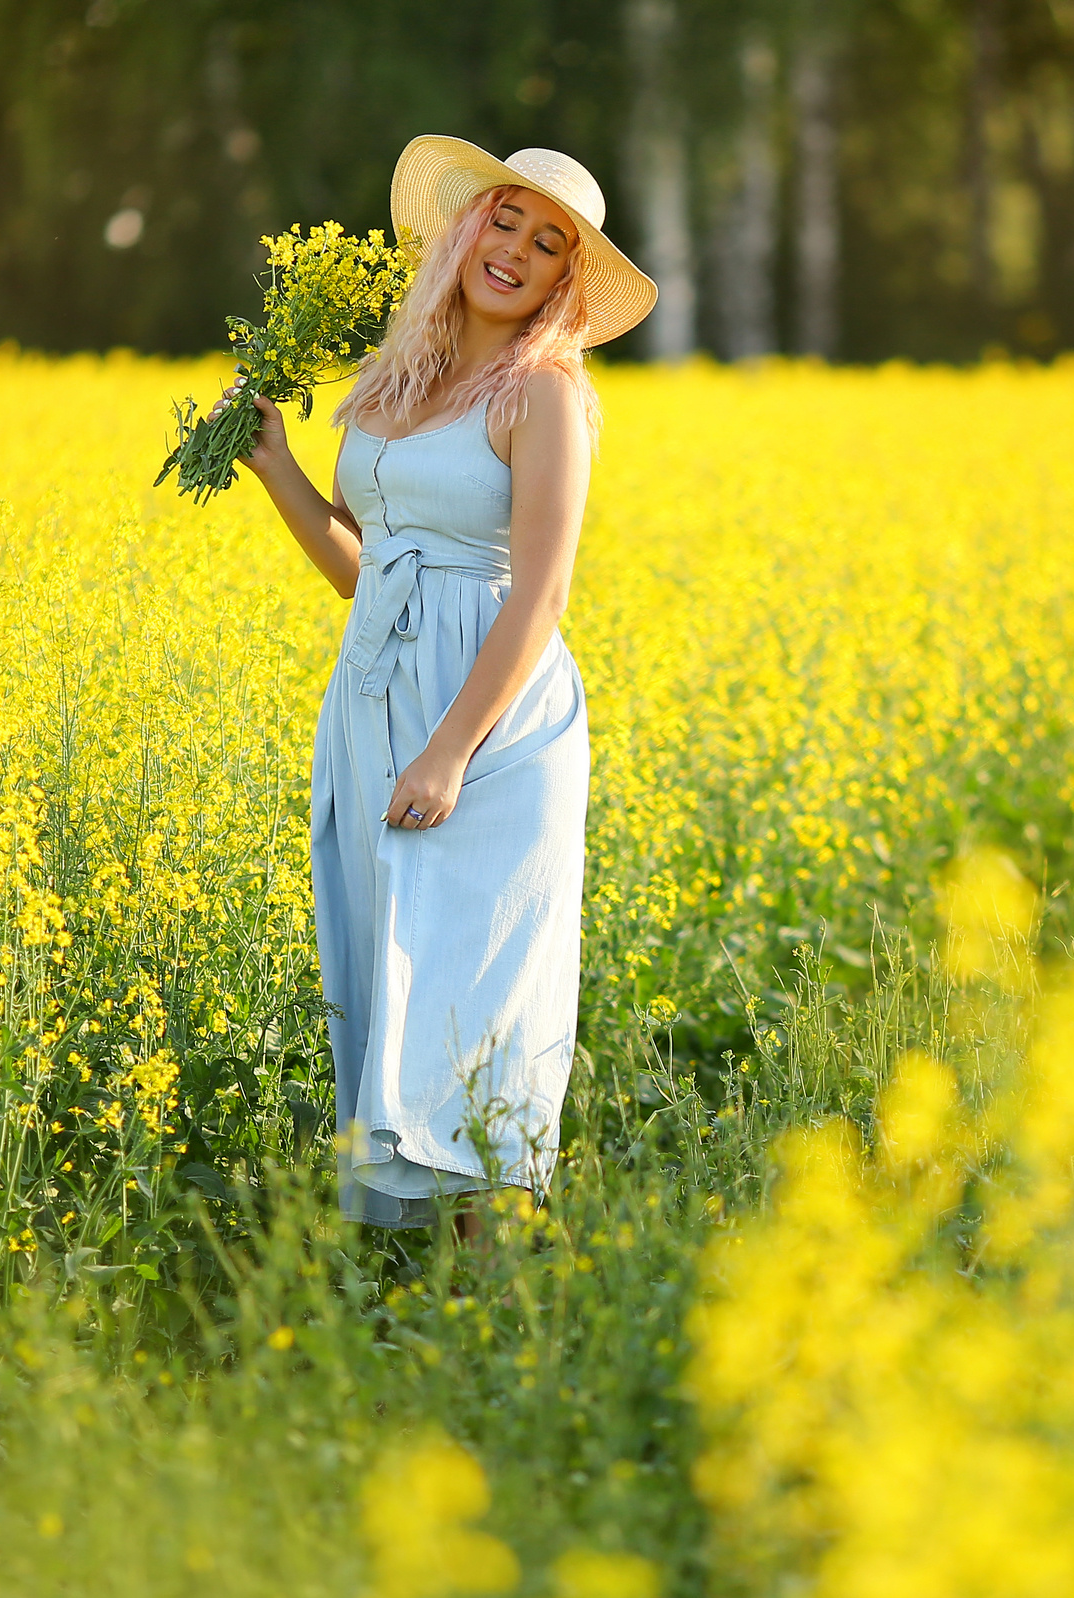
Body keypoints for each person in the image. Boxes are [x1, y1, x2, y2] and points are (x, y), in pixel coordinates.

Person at [216, 137, 656, 1231]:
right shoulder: (400, 372)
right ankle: (437, 1317)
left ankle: (496, 1326)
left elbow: (538, 595)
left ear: (566, 281)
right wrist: (277, 472)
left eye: (547, 243)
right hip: (377, 703)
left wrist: (451, 748)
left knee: (477, 1020)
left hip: (491, 731)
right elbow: (371, 573)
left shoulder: (544, 394)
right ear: (467, 228)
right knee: (396, 998)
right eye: (504, 221)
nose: (514, 250)